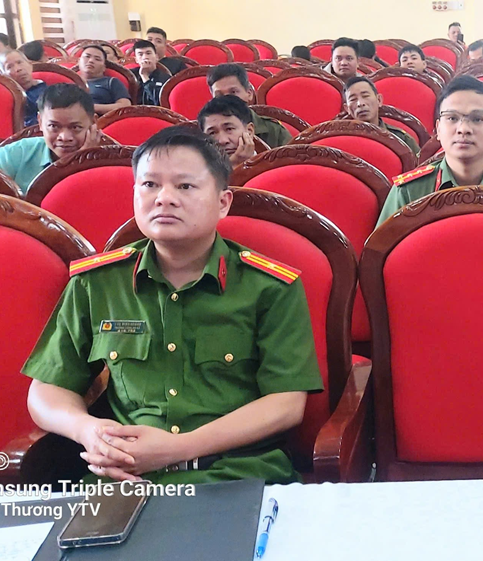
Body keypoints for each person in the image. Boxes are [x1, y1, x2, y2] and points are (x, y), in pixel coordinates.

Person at [22, 126, 321, 485]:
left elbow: (286, 403)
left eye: (185, 186)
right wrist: (88, 430)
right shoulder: (97, 283)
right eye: (150, 184)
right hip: (125, 478)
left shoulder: (269, 287)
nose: (164, 198)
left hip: (237, 475)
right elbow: (47, 389)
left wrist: (180, 448)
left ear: (223, 202)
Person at [376, 76, 483, 226]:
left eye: (477, 119)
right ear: (438, 129)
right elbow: (385, 249)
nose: (463, 129)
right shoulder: (408, 192)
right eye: (452, 118)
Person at [0, 84, 101, 195]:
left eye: (75, 127)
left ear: (93, 122)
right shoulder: (14, 153)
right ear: (40, 122)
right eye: (54, 126)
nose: (64, 137)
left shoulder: (107, 162)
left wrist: (84, 162)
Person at [207, 63, 292, 148]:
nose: (227, 100)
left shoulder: (274, 130)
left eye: (233, 92)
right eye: (219, 95)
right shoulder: (205, 133)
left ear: (249, 93)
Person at [344, 76, 420, 154]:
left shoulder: (403, 140)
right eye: (353, 99)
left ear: (379, 100)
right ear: (347, 109)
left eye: (365, 96)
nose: (360, 103)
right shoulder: (343, 140)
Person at [198, 95, 258, 167]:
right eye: (212, 133)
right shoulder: (196, 171)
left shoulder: (268, 166)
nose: (222, 141)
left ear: (249, 131)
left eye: (229, 129)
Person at [77, 44, 131, 116]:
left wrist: (91, 107)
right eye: (87, 56)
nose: (91, 61)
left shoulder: (112, 82)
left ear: (104, 67)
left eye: (97, 59)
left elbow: (125, 106)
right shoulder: (69, 82)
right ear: (78, 61)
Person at [0, 49, 47, 126]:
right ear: (4, 75)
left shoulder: (47, 91)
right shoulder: (6, 99)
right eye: (9, 67)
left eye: (19, 62)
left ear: (30, 64)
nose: (18, 69)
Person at [131, 39, 170, 106]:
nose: (145, 57)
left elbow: (159, 102)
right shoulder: (130, 76)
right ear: (136, 59)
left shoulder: (165, 78)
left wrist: (144, 77)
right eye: (140, 54)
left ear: (156, 57)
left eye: (148, 53)